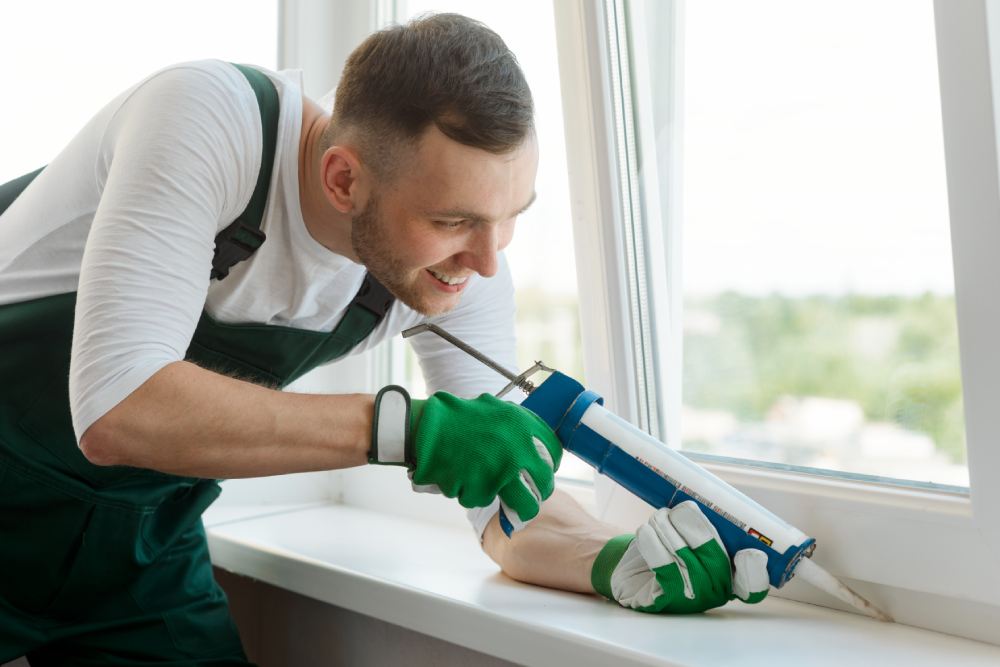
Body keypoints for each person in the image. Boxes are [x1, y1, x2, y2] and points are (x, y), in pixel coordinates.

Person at [0, 13, 767, 666]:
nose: (488, 258)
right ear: (342, 180)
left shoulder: (459, 272)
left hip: (135, 555)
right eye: (453, 220)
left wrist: (613, 561)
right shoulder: (211, 119)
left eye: (511, 215)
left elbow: (508, 514)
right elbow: (118, 407)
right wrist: (406, 429)